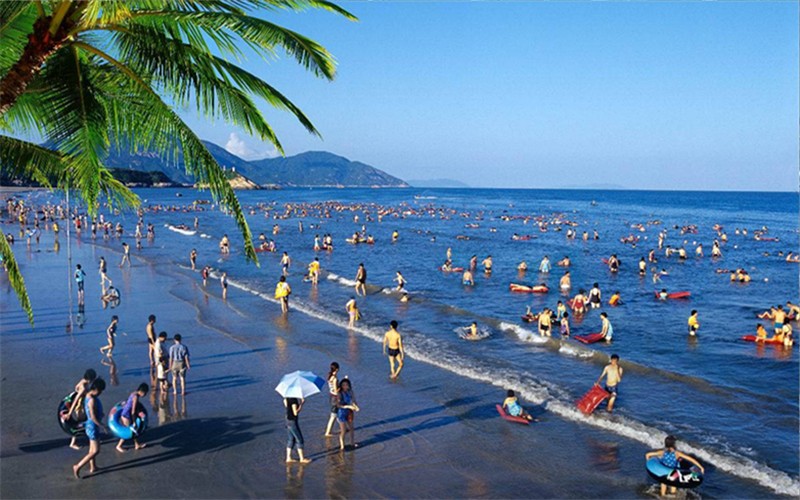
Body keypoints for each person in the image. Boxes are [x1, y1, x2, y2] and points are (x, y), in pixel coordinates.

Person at [72, 378, 106, 479]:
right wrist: (102, 425)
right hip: (92, 427)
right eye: (100, 391)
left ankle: (93, 467)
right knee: (95, 451)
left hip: (91, 426)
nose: (100, 393)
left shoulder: (89, 395)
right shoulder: (91, 400)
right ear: (96, 390)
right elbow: (92, 417)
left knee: (91, 449)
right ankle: (78, 466)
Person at [66, 369, 97, 450]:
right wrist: (70, 413)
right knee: (79, 423)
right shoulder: (83, 387)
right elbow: (76, 399)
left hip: (83, 404)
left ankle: (91, 438)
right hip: (80, 407)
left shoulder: (83, 381)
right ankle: (72, 443)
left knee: (86, 420)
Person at [116, 383, 149, 452]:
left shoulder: (134, 393)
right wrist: (134, 421)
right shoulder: (135, 397)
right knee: (129, 431)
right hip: (126, 415)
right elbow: (133, 411)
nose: (145, 395)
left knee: (133, 431)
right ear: (142, 392)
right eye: (145, 393)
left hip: (125, 413)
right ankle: (119, 446)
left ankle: (137, 445)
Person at [284, 396, 311, 463]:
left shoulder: (286, 398)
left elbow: (286, 405)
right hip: (292, 421)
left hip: (287, 419)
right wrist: (301, 404)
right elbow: (295, 413)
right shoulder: (293, 400)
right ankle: (302, 459)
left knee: (291, 439)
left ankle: (288, 458)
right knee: (299, 439)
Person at [336, 378, 359, 450]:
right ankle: (342, 445)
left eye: (346, 385)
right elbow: (338, 405)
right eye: (343, 385)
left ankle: (352, 442)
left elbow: (354, 400)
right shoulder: (339, 393)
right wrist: (348, 406)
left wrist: (356, 406)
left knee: (351, 428)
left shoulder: (350, 392)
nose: (345, 386)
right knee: (343, 430)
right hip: (342, 412)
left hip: (349, 412)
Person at [324, 362, 340, 437]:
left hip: (331, 396)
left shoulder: (329, 376)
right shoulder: (335, 379)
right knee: (333, 415)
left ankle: (343, 426)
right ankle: (327, 432)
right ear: (337, 369)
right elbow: (336, 390)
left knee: (337, 413)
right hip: (335, 397)